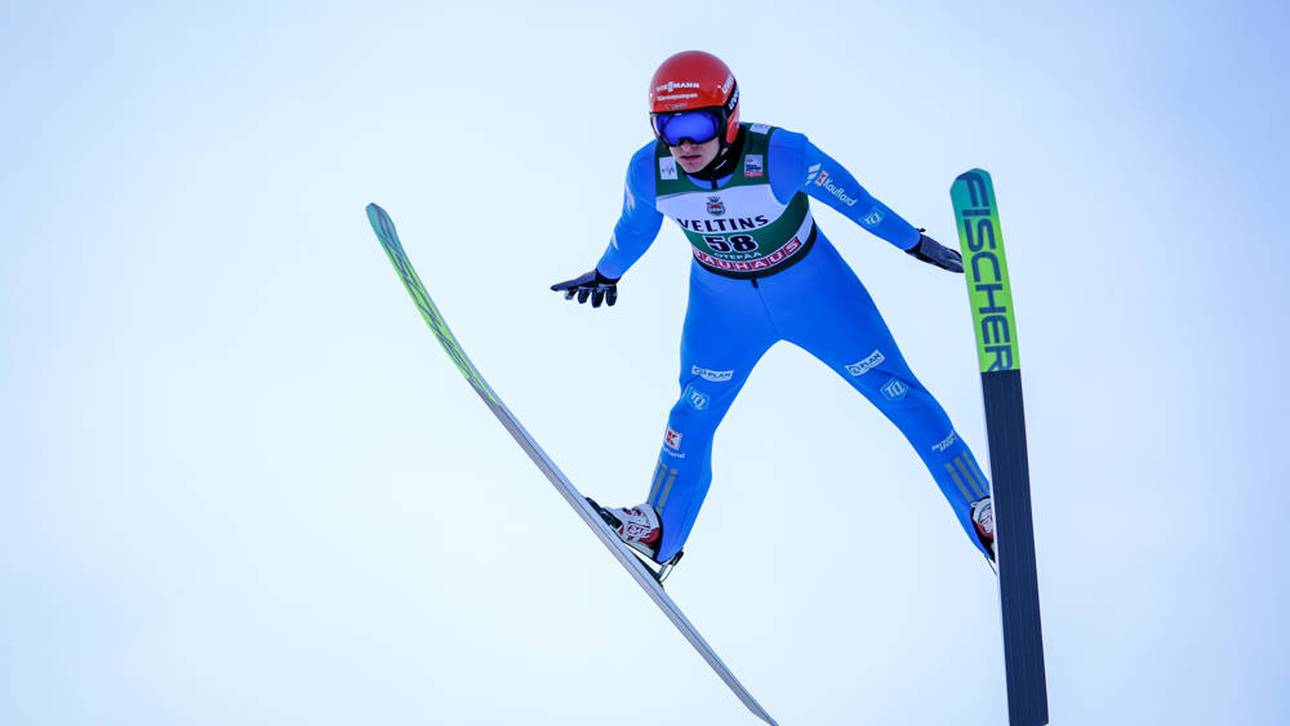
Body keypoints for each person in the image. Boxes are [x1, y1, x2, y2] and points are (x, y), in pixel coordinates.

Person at [552, 50, 995, 575]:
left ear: (729, 116)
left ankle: (983, 510)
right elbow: (634, 228)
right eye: (668, 127)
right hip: (722, 306)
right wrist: (607, 272)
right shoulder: (650, 171)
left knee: (899, 393)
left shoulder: (783, 154)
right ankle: (659, 529)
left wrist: (912, 244)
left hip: (814, 291)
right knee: (691, 411)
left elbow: (856, 201)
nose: (684, 143)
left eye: (696, 124)